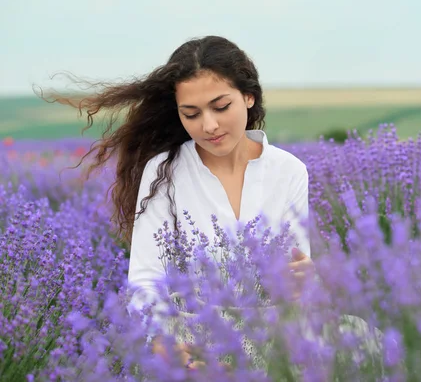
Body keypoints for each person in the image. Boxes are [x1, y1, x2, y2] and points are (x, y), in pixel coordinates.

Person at [44, 35, 315, 370]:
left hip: (271, 332)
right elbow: (145, 280)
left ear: (248, 96)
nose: (209, 125)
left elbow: (297, 276)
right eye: (191, 114)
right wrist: (161, 342)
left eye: (220, 107)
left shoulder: (290, 171)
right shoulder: (164, 172)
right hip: (194, 335)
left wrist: (304, 278)